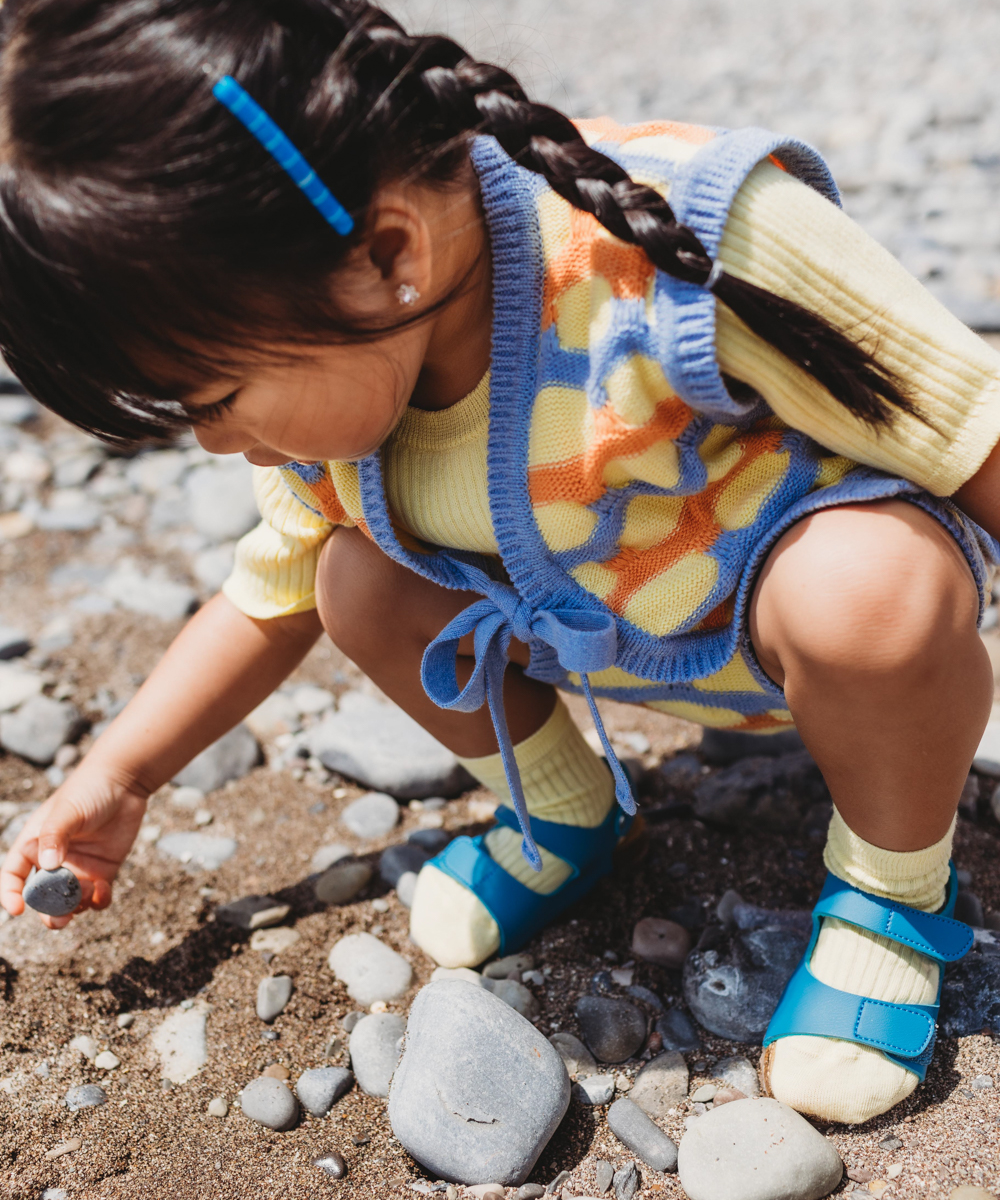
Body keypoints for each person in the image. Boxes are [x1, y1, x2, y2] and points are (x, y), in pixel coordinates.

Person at [1, 0, 1000, 1129]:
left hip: (815, 630)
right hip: (599, 634)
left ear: (389, 254)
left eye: (214, 400)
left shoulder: (672, 238)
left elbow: (971, 431)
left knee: (871, 590)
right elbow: (265, 599)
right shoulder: (342, 383)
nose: (220, 444)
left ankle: (890, 895)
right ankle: (564, 817)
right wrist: (120, 776)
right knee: (354, 581)